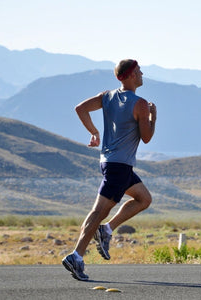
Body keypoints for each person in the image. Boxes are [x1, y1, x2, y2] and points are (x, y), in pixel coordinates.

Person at [62, 59, 157, 281]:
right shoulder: (141, 104)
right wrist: (153, 116)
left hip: (111, 162)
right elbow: (147, 137)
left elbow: (80, 108)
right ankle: (76, 256)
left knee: (144, 199)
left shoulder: (107, 96)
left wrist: (94, 132)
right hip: (119, 166)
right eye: (140, 71)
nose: (142, 74)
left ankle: (106, 230)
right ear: (132, 74)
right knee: (98, 211)